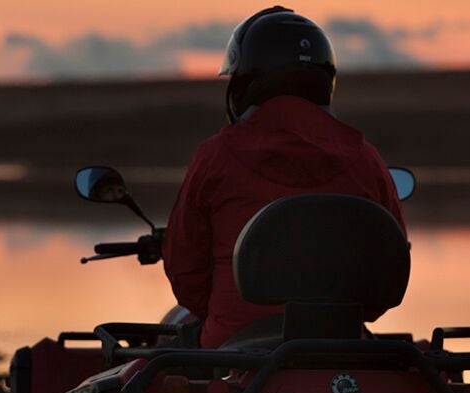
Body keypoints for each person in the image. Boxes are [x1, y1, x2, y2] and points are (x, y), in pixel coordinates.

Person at [162, 6, 407, 349]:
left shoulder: (215, 157)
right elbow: (385, 278)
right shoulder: (366, 159)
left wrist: (227, 313)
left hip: (231, 349)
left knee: (156, 356)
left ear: (243, 86)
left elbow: (187, 273)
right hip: (343, 348)